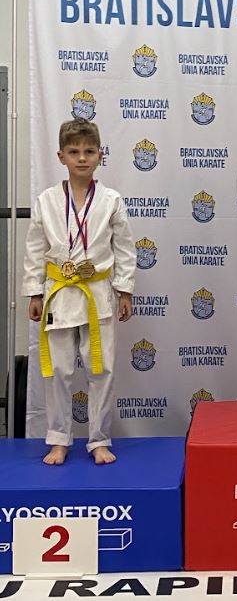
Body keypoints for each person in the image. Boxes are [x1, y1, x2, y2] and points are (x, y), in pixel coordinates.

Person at [22, 119, 136, 465]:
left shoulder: (111, 200)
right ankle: (59, 439)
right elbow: (35, 249)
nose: (82, 158)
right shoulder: (46, 200)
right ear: (61, 157)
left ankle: (99, 439)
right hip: (59, 294)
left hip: (97, 293)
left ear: (100, 154)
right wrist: (34, 293)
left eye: (89, 151)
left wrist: (125, 291)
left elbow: (125, 249)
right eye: (74, 152)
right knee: (57, 370)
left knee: (101, 369)